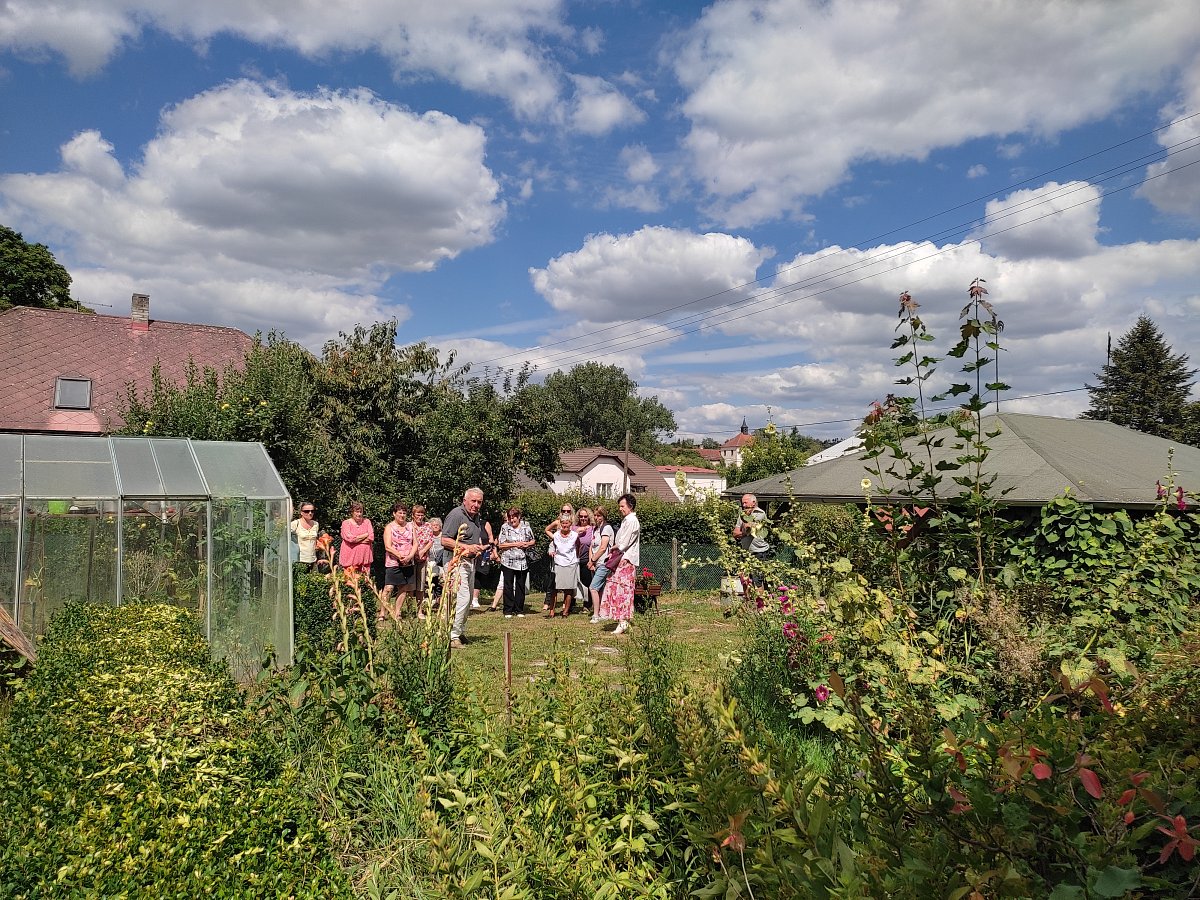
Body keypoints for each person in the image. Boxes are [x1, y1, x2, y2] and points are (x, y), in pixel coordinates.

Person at [441, 488, 490, 649]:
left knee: (468, 599)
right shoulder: (456, 515)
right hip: (456, 561)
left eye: (479, 502)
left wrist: (478, 548)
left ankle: (459, 630)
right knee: (461, 598)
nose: (476, 505)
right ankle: (452, 636)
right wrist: (466, 547)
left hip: (469, 562)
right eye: (473, 501)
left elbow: (471, 540)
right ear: (465, 500)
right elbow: (444, 540)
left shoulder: (476, 517)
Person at [597, 493, 639, 635]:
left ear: (630, 506)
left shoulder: (631, 520)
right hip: (623, 559)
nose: (620, 509)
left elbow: (624, 542)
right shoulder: (627, 520)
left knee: (623, 591)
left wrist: (614, 548)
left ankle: (623, 622)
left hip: (626, 559)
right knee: (618, 589)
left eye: (622, 506)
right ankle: (622, 620)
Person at [379, 502, 417, 623]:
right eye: (399, 513)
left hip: (408, 562)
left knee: (404, 587)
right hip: (393, 562)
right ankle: (382, 612)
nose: (402, 515)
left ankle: (397, 612)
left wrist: (410, 556)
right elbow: (388, 546)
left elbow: (415, 543)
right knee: (389, 587)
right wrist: (400, 556)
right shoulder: (389, 527)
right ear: (394, 514)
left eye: (404, 513)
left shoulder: (411, 526)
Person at [496, 506, 535, 618]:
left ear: (519, 517)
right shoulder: (505, 527)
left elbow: (532, 540)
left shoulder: (526, 527)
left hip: (522, 561)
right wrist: (515, 544)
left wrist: (527, 544)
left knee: (520, 585)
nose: (512, 520)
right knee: (508, 585)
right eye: (510, 518)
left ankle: (519, 609)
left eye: (514, 517)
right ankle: (508, 609)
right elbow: (501, 544)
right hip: (507, 560)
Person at [732, 492, 772, 593]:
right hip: (746, 552)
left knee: (757, 580)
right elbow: (735, 533)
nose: (744, 505)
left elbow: (748, 529)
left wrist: (744, 529)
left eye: (745, 503)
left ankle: (760, 606)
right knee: (744, 579)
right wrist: (745, 531)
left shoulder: (760, 513)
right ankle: (748, 604)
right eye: (743, 503)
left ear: (753, 503)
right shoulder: (742, 514)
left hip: (758, 552)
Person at [542, 501, 575, 612]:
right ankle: (548, 604)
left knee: (568, 585)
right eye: (563, 511)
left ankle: (566, 607)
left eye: (568, 511)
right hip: (557, 550)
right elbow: (547, 529)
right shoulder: (557, 522)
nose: (565, 512)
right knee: (553, 582)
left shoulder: (573, 524)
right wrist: (554, 538)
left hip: (568, 555)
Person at [547, 514, 580, 617]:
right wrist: (555, 522)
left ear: (570, 524)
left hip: (571, 563)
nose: (565, 525)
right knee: (554, 588)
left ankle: (565, 611)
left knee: (568, 589)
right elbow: (547, 530)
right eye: (563, 523)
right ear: (560, 524)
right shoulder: (556, 535)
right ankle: (552, 611)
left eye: (567, 523)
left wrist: (576, 558)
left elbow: (578, 547)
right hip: (558, 563)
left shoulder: (575, 535)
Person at [586, 506, 614, 620]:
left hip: (604, 563)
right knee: (601, 588)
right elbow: (592, 547)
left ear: (604, 516)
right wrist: (591, 561)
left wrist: (593, 560)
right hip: (596, 563)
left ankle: (596, 614)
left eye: (599, 515)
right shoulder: (595, 529)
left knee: (593, 587)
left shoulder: (606, 528)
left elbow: (603, 548)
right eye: (595, 515)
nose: (597, 518)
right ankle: (604, 613)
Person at [338, 501, 374, 575]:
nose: (359, 514)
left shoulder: (367, 522)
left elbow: (371, 537)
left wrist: (356, 540)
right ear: (352, 512)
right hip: (350, 558)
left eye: (361, 512)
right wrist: (365, 535)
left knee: (365, 582)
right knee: (350, 581)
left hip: (365, 558)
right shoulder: (346, 523)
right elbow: (350, 539)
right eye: (357, 512)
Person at [420, 517, 444, 620]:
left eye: (437, 525)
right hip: (430, 561)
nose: (435, 526)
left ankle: (440, 603)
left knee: (441, 582)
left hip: (442, 560)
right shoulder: (427, 536)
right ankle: (429, 601)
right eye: (433, 524)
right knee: (431, 580)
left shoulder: (443, 536)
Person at [574, 507, 594, 608]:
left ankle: (587, 605)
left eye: (585, 516)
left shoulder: (592, 529)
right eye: (581, 516)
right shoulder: (573, 528)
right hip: (574, 560)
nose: (583, 518)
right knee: (573, 583)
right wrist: (577, 532)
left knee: (587, 582)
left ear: (589, 517)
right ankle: (571, 604)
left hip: (587, 559)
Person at [289, 502, 319, 571]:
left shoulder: (316, 524)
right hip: (299, 559)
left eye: (312, 511)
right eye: (306, 511)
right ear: (301, 512)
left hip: (313, 559)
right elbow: (284, 537)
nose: (310, 513)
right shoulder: (295, 524)